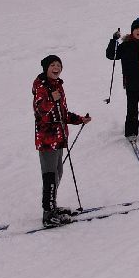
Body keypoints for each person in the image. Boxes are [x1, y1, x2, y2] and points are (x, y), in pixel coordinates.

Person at [33, 55, 90, 226]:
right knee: (50, 176)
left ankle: (53, 207)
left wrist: (80, 119)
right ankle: (48, 214)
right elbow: (40, 110)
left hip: (58, 137)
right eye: (53, 65)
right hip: (46, 138)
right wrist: (52, 98)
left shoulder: (57, 86)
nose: (56, 67)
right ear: (46, 68)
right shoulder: (40, 86)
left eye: (58, 65)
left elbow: (62, 114)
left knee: (58, 172)